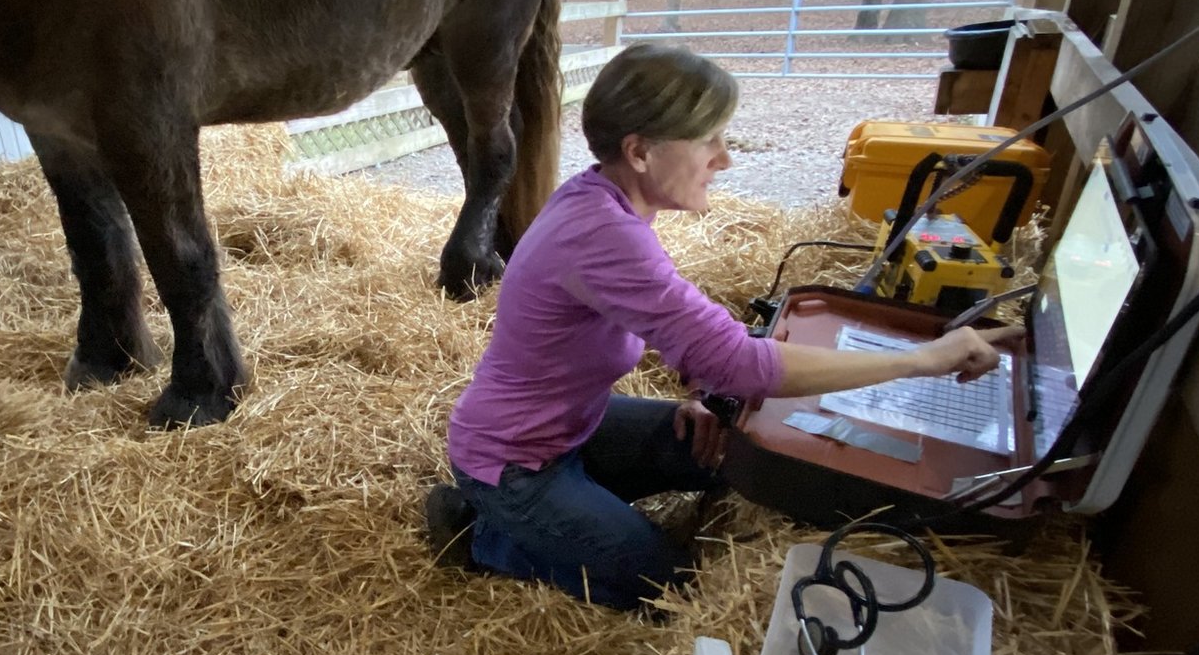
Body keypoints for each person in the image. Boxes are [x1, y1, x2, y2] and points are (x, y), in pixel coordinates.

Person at [426, 44, 1011, 613]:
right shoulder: (602, 233)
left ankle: (577, 509)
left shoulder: (603, 201)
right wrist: (922, 359)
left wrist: (707, 390)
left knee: (728, 450)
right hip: (514, 463)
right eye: (707, 139)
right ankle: (480, 535)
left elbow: (674, 327)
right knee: (668, 585)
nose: (724, 158)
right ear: (640, 152)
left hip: (576, 423)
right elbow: (741, 362)